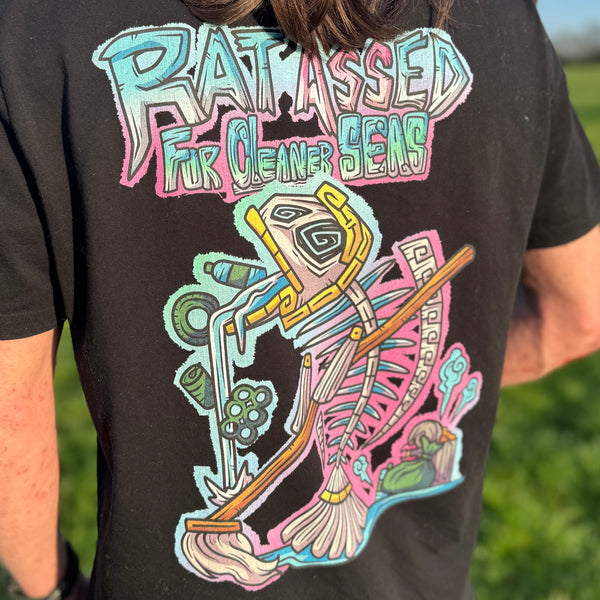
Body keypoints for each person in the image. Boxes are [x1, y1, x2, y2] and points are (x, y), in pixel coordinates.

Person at [1, 0, 599, 598]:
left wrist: (53, 589)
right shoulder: (499, 21)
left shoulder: (39, 24)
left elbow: (9, 411)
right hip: (419, 579)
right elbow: (580, 315)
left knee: (303, 435)